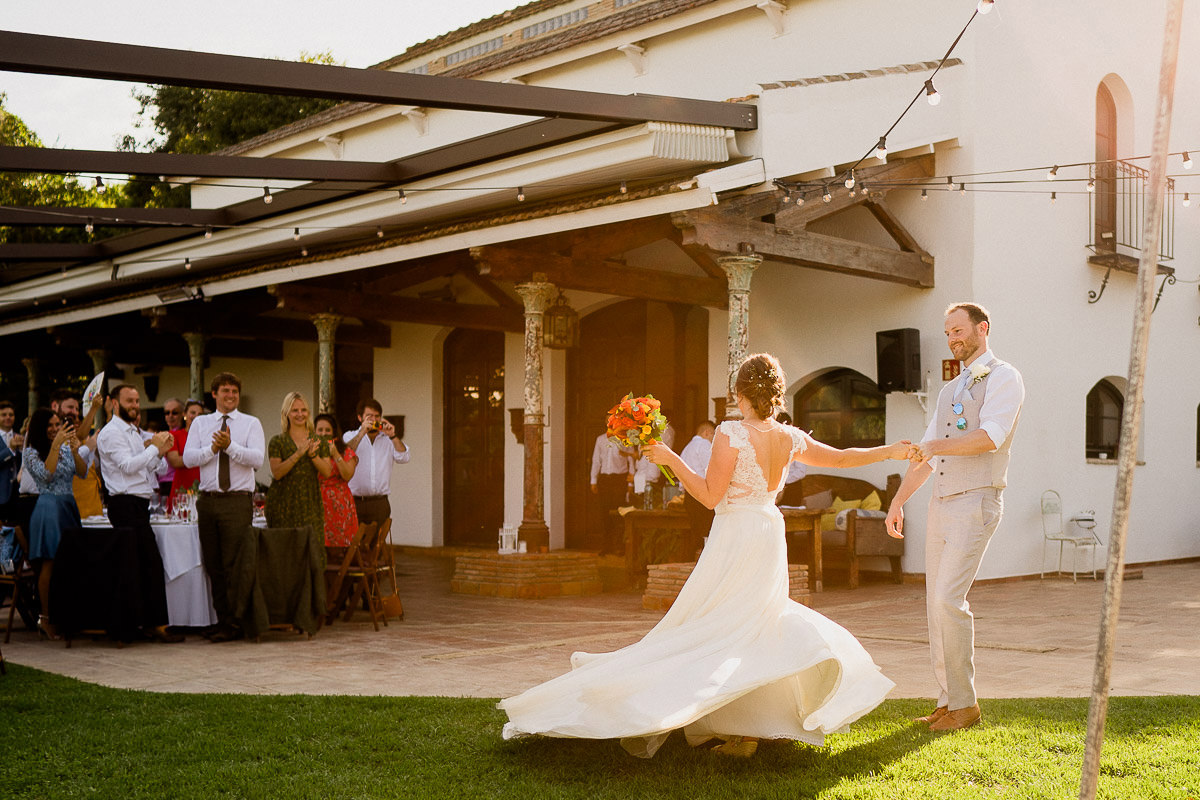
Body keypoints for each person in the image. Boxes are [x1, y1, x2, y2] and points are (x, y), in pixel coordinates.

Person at [501, 353, 910, 758]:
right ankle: (747, 726)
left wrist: (671, 458)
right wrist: (890, 450)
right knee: (751, 625)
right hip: (768, 530)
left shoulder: (730, 432)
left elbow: (712, 497)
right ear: (775, 394)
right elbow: (841, 457)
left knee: (716, 624)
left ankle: (734, 722)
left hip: (735, 533)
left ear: (739, 394)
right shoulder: (790, 437)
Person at [885, 302, 1024, 733]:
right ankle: (946, 700)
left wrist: (938, 447)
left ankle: (966, 705)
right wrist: (898, 501)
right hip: (942, 503)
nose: (952, 339)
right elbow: (925, 455)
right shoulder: (949, 390)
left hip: (977, 500)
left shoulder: (1004, 377)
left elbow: (988, 438)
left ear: (983, 328)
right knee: (934, 606)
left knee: (949, 600)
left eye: (959, 330)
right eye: (947, 333)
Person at [96, 384, 183, 643]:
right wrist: (155, 448)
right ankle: (125, 629)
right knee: (132, 566)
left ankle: (151, 624)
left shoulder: (134, 432)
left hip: (139, 505)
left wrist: (160, 452)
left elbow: (148, 468)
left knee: (149, 565)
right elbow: (126, 466)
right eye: (129, 401)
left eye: (136, 401)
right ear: (113, 403)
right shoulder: (112, 433)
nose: (135, 405)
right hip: (123, 505)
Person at [183, 372, 266, 642]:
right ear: (214, 394)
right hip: (208, 500)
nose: (230, 395)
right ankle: (221, 620)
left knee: (235, 563)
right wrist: (212, 448)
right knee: (214, 564)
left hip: (236, 500)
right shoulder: (201, 423)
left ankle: (236, 621)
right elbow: (188, 458)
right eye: (225, 391)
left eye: (234, 391)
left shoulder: (251, 423)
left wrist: (230, 447)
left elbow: (257, 459)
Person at [22, 408, 87, 640]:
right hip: (49, 508)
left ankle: (70, 615)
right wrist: (56, 445)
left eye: (57, 424)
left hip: (69, 506)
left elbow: (82, 472)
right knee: (49, 563)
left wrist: (76, 450)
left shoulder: (67, 447)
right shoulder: (30, 452)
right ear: (41, 428)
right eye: (49, 425)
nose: (54, 429)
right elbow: (46, 475)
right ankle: (46, 618)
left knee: (71, 563)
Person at [265, 392, 327, 540]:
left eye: (303, 410)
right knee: (285, 549)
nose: (300, 414)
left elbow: (327, 471)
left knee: (312, 548)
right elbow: (277, 473)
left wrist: (313, 455)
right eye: (295, 410)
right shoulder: (277, 441)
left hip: (310, 501)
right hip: (282, 503)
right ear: (286, 413)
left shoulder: (319, 441)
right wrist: (298, 453)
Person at [343, 399, 409, 530]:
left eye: (377, 416)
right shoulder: (350, 435)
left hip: (380, 502)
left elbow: (404, 457)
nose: (374, 420)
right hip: (355, 501)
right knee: (353, 545)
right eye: (369, 416)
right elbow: (344, 455)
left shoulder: (388, 439)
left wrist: (393, 436)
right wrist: (362, 432)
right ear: (359, 417)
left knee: (377, 545)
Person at [314, 413, 358, 548]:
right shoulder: (311, 450)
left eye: (327, 430)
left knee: (342, 539)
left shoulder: (345, 451)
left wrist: (335, 454)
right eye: (320, 430)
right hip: (317, 499)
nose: (323, 433)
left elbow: (348, 475)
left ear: (334, 432)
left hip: (339, 500)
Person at [589, 432, 634, 555]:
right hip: (605, 479)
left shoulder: (626, 438)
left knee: (619, 512)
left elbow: (631, 460)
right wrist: (593, 480)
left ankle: (619, 546)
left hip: (619, 479)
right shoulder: (600, 439)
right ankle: (606, 546)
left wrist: (630, 484)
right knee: (605, 513)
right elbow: (596, 460)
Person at [678, 420, 716, 555]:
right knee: (708, 533)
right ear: (707, 433)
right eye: (713, 436)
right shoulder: (704, 444)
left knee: (698, 534)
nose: (713, 440)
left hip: (689, 495)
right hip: (702, 494)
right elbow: (711, 469)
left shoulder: (687, 448)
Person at [164, 399, 205, 511]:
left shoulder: (206, 437)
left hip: (202, 484)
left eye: (200, 414)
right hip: (182, 484)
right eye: (192, 412)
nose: (196, 416)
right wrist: (203, 456)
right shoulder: (174, 435)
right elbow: (175, 461)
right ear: (185, 414)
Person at [0, 401, 23, 525]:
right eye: (4, 415)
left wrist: (20, 450)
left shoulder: (19, 437)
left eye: (11, 415)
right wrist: (10, 450)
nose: (8, 417)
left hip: (18, 494)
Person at [157, 398, 185, 500]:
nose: (170, 416)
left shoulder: (183, 435)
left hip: (176, 482)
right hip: (161, 484)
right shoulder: (162, 435)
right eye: (167, 413)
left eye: (175, 412)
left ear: (183, 414)